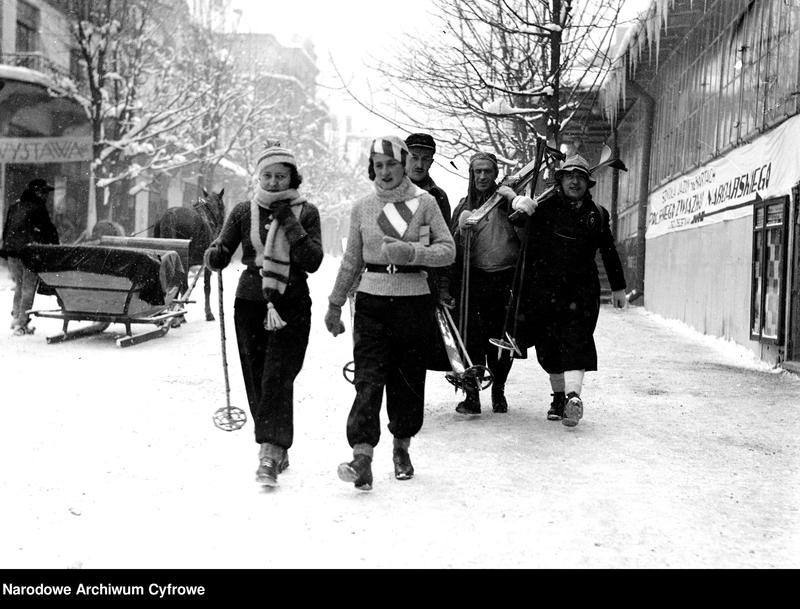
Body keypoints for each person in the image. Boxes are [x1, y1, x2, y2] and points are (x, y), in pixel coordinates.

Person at [325, 135, 455, 491]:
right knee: (367, 379)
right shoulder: (363, 207)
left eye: (391, 165)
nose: (385, 172)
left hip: (414, 301)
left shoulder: (425, 203)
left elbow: (447, 251)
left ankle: (401, 448)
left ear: (403, 165)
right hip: (371, 302)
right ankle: (362, 457)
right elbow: (352, 259)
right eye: (378, 165)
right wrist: (335, 303)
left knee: (407, 379)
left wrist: (412, 254)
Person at [203, 144, 323, 487]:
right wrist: (216, 253)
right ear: (259, 177)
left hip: (292, 304)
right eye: (267, 176)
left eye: (280, 176)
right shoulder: (244, 210)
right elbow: (224, 250)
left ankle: (268, 452)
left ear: (292, 178)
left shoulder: (306, 212)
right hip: (251, 301)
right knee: (257, 377)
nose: (272, 182)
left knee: (277, 376)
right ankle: (275, 442)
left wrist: (289, 223)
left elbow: (312, 261)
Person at [509, 154, 627, 427]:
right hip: (544, 290)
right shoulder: (543, 208)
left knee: (577, 341)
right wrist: (520, 205)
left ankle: (574, 397)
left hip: (582, 291)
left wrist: (618, 287)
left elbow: (608, 250)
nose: (575, 181)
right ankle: (559, 397)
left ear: (588, 183)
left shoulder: (596, 214)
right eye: (569, 176)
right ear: (560, 180)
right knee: (548, 349)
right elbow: (516, 226)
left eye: (581, 177)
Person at [450, 152, 533, 415]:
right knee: (472, 337)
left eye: (487, 171)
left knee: (502, 339)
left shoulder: (507, 201)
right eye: (478, 172)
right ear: (471, 175)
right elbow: (452, 246)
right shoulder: (464, 205)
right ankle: (472, 394)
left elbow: (526, 234)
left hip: (505, 278)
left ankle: (498, 390)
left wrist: (512, 202)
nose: (483, 176)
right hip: (473, 279)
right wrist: (461, 230)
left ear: (495, 174)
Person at [1, 179, 59, 336]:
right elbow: (49, 231)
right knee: (28, 288)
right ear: (37, 191)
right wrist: (55, 247)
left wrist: (5, 251)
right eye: (44, 192)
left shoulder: (15, 206)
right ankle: (22, 323)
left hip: (12, 252)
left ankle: (16, 318)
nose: (46, 195)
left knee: (20, 286)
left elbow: (6, 229)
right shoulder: (38, 207)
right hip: (29, 253)